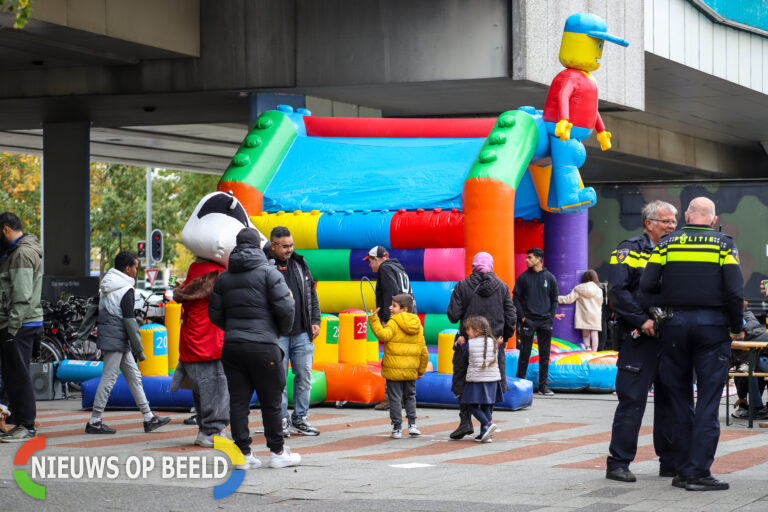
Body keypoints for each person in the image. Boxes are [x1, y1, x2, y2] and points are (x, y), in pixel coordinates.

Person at [640, 197, 743, 491]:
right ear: (713, 219)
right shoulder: (724, 244)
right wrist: (736, 327)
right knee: (708, 402)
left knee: (679, 400)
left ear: (686, 216)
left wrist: (670, 296)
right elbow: (734, 290)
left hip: (674, 326)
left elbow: (647, 284)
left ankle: (683, 470)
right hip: (711, 328)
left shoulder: (667, 244)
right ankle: (699, 473)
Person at [209, 228, 301, 470]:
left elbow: (214, 314)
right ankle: (278, 452)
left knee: (238, 401)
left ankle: (243, 454)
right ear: (260, 245)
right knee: (271, 400)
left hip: (233, 346)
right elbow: (287, 307)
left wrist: (234, 330)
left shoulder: (224, 277)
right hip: (263, 345)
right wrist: (277, 331)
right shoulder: (269, 273)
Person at [604, 200, 677, 483]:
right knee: (632, 402)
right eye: (666, 222)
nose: (672, 227)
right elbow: (618, 292)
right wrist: (642, 321)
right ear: (649, 223)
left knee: (670, 401)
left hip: (669, 339)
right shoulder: (629, 249)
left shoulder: (677, 249)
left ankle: (669, 462)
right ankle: (618, 463)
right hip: (639, 338)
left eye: (673, 222)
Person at [85, 252, 171, 435]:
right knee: (109, 380)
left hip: (115, 338)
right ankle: (94, 421)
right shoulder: (125, 290)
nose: (136, 270)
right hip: (116, 339)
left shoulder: (107, 285)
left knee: (134, 377)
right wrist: (140, 350)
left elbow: (93, 309)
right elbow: (130, 323)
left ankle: (149, 417)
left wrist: (81, 334)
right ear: (127, 269)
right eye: (135, 267)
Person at [446, 251, 516, 439]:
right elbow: (511, 316)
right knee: (490, 381)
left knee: (463, 380)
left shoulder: (462, 286)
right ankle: (487, 425)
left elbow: (453, 316)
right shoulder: (502, 287)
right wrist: (505, 338)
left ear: (473, 265)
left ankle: (465, 421)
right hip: (494, 344)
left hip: (467, 344)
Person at [265, 226, 321, 437]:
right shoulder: (263, 264)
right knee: (277, 378)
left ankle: (300, 418)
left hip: (302, 332)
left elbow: (312, 295)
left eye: (291, 245)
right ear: (273, 245)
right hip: (277, 334)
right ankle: (280, 420)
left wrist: (315, 320)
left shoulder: (299, 262)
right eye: (285, 246)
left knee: (304, 376)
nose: (289, 250)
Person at [172, 257, 230, 447]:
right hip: (210, 341)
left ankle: (206, 429)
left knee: (201, 391)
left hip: (192, 340)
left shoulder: (194, 270)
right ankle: (212, 431)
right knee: (216, 388)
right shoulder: (216, 272)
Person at [0, 212, 42, 442]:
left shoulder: (22, 254)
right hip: (20, 322)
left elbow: (22, 295)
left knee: (20, 376)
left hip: (20, 324)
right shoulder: (16, 252)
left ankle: (27, 425)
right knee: (13, 375)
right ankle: (18, 421)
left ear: (5, 229)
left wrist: (12, 327)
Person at [368, 294, 428, 439]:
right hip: (411, 370)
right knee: (410, 396)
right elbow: (423, 350)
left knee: (395, 398)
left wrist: (373, 319)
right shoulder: (417, 325)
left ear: (404, 309)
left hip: (394, 370)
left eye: (394, 305)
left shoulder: (393, 322)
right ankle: (412, 424)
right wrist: (421, 370)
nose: (390, 307)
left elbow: (383, 336)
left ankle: (397, 428)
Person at [364, 245, 414, 411]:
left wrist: (387, 318)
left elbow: (391, 293)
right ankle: (406, 398)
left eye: (370, 261)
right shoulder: (398, 268)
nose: (370, 265)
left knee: (392, 359)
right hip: (409, 315)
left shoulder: (385, 269)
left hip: (397, 318)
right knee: (405, 358)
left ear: (376, 259)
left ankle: (391, 398)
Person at [514, 248, 559, 395]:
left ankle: (543, 387)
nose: (526, 260)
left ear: (539, 259)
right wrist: (522, 318)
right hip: (528, 321)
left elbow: (554, 299)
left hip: (545, 321)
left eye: (529, 257)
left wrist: (550, 317)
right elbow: (516, 299)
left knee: (545, 355)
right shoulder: (523, 278)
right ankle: (520, 383)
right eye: (526, 257)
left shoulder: (550, 277)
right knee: (524, 353)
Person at [459, 316, 505, 443]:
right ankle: (487, 435)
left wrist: (461, 343)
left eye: (468, 330)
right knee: (486, 406)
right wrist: (499, 344)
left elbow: (465, 355)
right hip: (492, 380)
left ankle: (487, 423)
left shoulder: (470, 344)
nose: (467, 333)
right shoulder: (493, 342)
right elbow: (496, 351)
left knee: (470, 404)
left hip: (477, 380)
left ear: (477, 332)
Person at [730, 302, 768, 419]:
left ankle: (755, 407)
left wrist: (744, 330)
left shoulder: (747, 318)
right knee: (750, 367)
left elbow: (752, 322)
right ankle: (754, 406)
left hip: (761, 356)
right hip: (759, 356)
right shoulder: (744, 320)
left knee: (750, 367)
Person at [556, 269, 603, 351]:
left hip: (585, 314)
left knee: (586, 335)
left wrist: (555, 298)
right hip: (596, 314)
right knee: (595, 333)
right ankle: (594, 351)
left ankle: (587, 349)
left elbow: (568, 299)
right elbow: (600, 302)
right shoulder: (599, 290)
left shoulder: (579, 289)